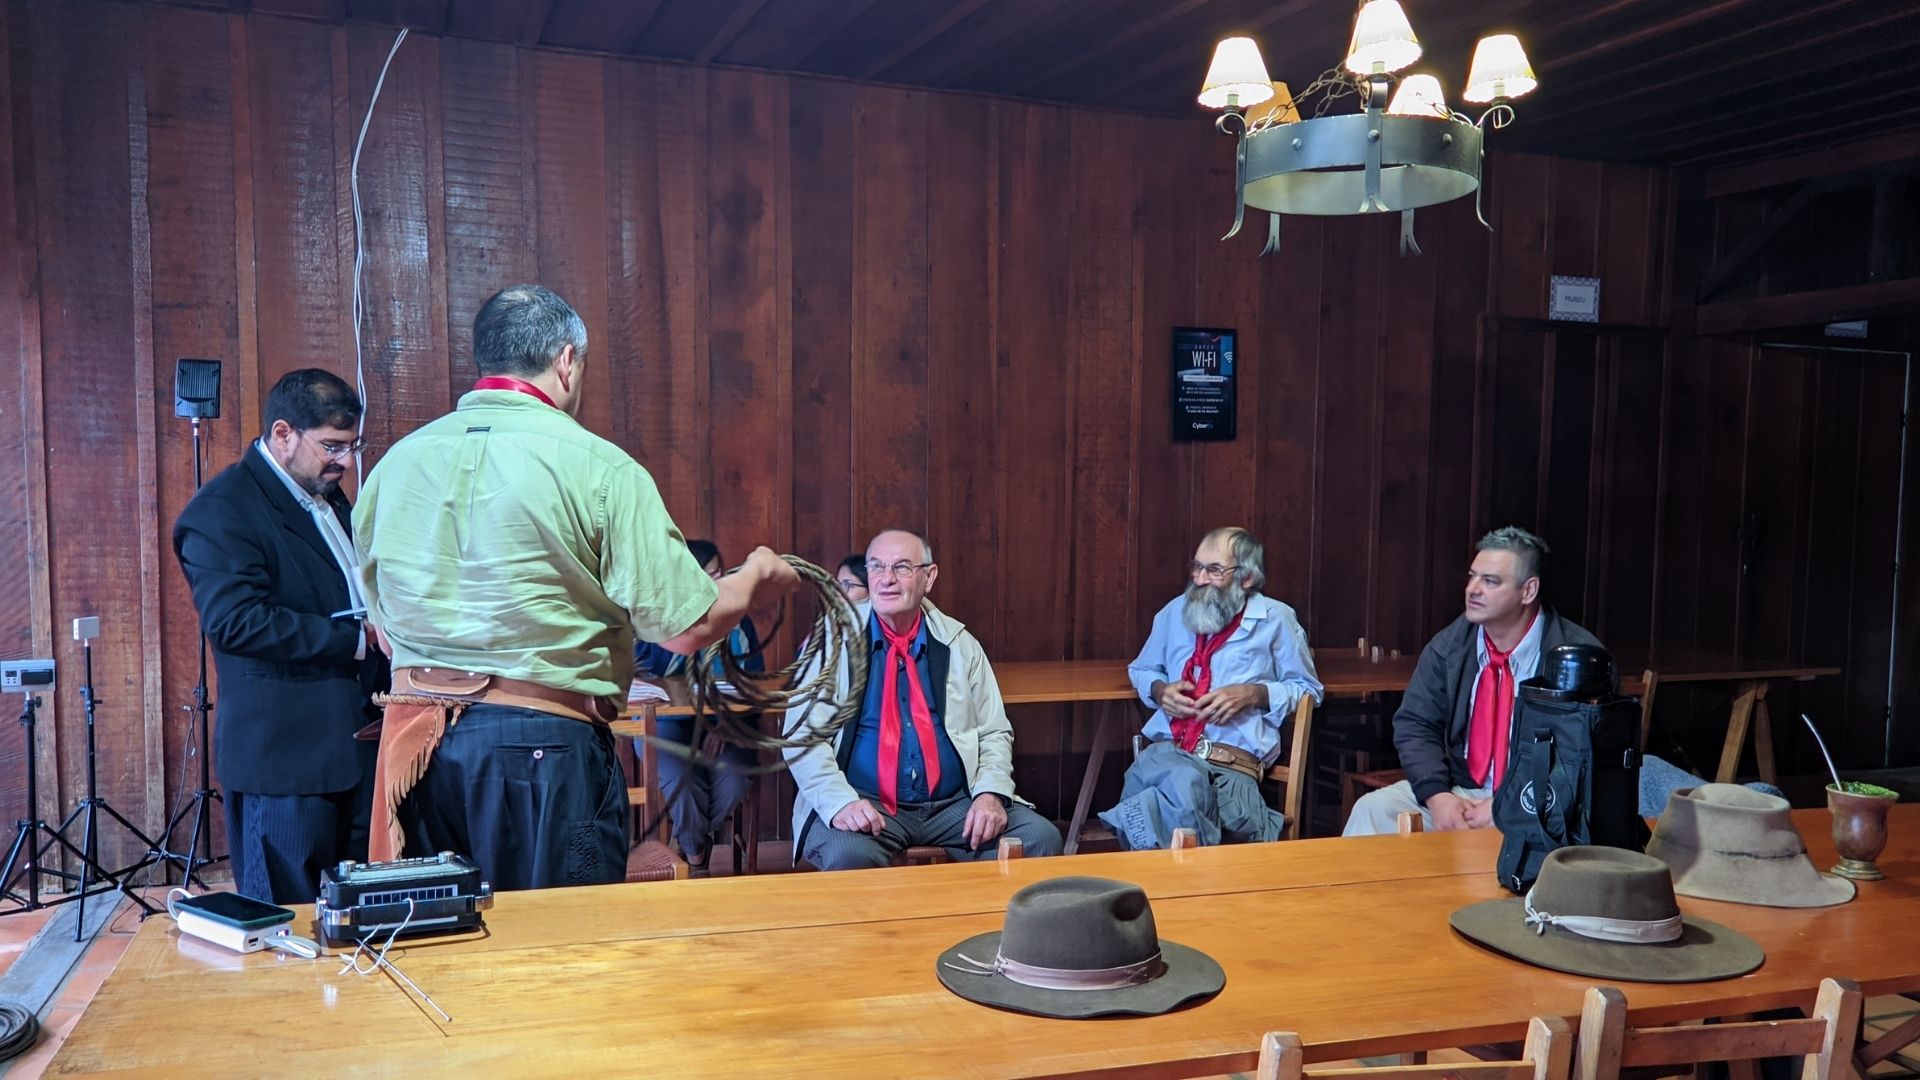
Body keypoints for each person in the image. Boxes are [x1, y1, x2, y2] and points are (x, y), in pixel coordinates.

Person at [355, 284, 798, 891]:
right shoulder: (597, 466)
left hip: (416, 745)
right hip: (540, 746)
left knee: (439, 945)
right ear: (567, 361)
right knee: (564, 952)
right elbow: (685, 625)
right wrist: (754, 580)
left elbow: (381, 630)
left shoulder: (395, 465)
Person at [173, 369, 385, 903]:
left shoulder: (328, 495)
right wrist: (356, 640)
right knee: (283, 934)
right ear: (283, 434)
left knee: (350, 923)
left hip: (354, 750)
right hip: (285, 766)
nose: (345, 461)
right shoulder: (222, 511)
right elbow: (236, 621)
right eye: (333, 446)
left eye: (352, 446)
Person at [785, 529, 1063, 869]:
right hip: (864, 801)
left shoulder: (959, 643)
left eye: (902, 567)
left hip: (952, 805)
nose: (886, 579)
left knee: (1040, 839)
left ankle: (976, 922)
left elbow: (993, 732)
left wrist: (989, 795)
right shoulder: (831, 642)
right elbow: (802, 738)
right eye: (876, 567)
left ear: (928, 577)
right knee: (849, 856)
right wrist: (840, 803)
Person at [1343, 526, 1601, 836]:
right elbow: (1415, 724)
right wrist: (1438, 797)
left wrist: (1511, 806)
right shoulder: (1449, 646)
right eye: (1472, 576)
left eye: (1490, 581)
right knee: (1372, 810)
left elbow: (1586, 756)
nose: (1472, 589)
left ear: (1528, 591)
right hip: (1461, 791)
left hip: (1539, 800)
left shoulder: (1578, 658)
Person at [1099, 527, 1322, 849]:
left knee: (1171, 802)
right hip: (1170, 754)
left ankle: (1144, 831)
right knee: (1186, 782)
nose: (1200, 579)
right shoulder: (1174, 612)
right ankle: (1207, 876)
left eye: (1214, 570)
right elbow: (1142, 668)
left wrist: (1255, 694)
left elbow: (1309, 691)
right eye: (1197, 567)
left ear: (1246, 577)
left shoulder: (1276, 619)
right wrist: (1161, 690)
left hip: (1233, 768)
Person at [633, 538, 764, 873]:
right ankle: (695, 855)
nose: (717, 584)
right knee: (679, 779)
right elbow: (639, 673)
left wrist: (723, 726)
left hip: (730, 723)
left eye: (719, 574)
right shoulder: (656, 618)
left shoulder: (738, 619)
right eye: (707, 576)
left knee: (733, 780)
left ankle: (693, 839)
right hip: (667, 723)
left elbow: (754, 683)